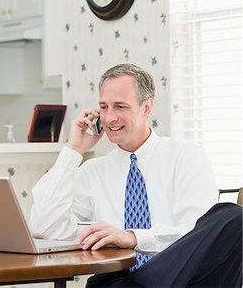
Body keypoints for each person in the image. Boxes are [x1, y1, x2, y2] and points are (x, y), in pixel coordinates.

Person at [29, 63, 242, 287]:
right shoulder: (93, 171)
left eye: (120, 106)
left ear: (147, 108)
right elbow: (44, 227)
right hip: (119, 280)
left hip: (182, 275)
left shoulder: (186, 155)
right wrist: (73, 150)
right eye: (104, 107)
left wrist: (134, 238)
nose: (110, 118)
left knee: (234, 217)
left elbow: (197, 235)